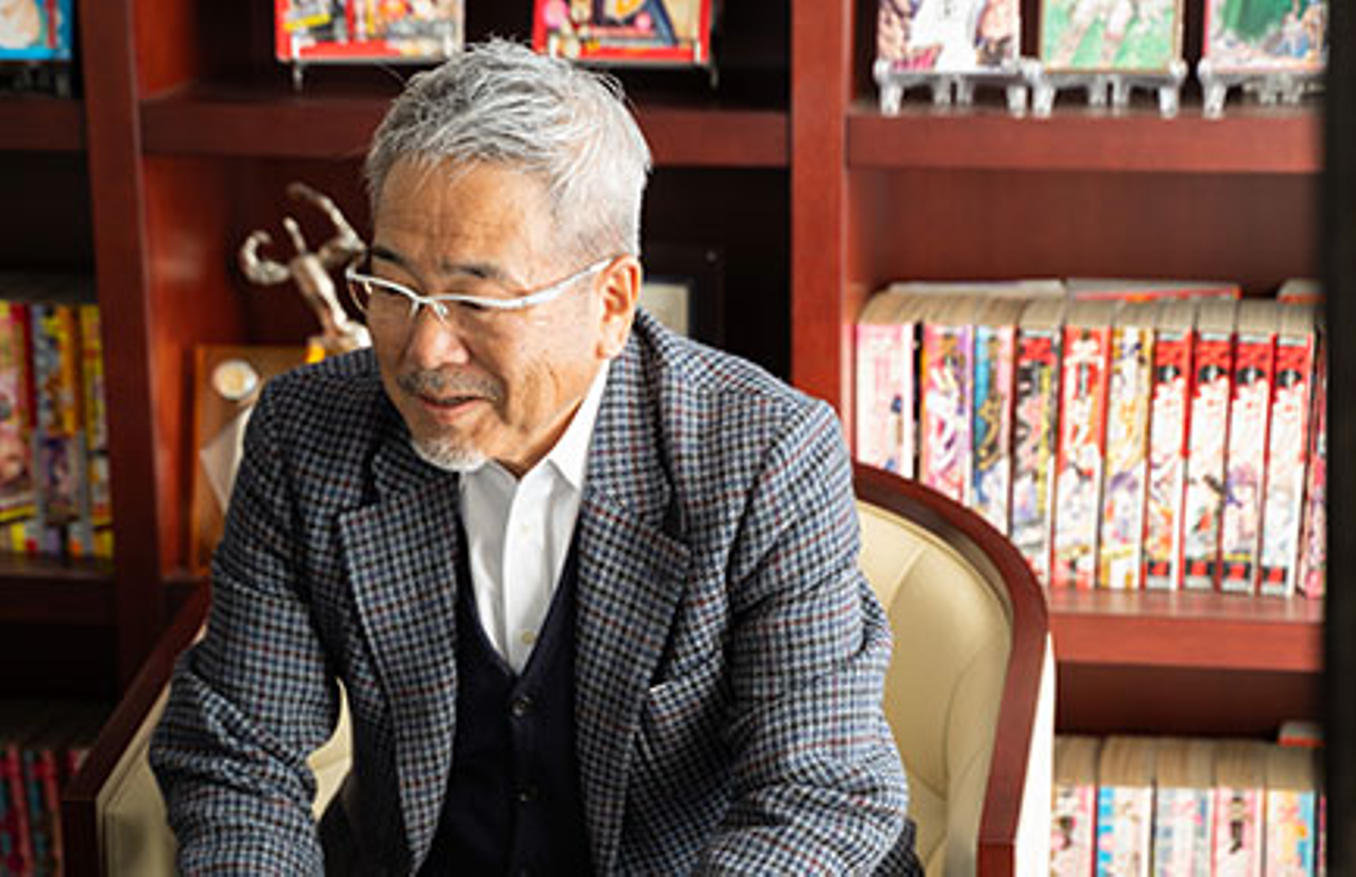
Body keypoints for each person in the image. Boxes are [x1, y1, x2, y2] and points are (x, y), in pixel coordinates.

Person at [151, 38, 917, 875]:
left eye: (476, 299)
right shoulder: (307, 432)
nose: (425, 350)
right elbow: (239, 755)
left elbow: (819, 798)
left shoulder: (763, 453)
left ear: (611, 302)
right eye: (395, 289)